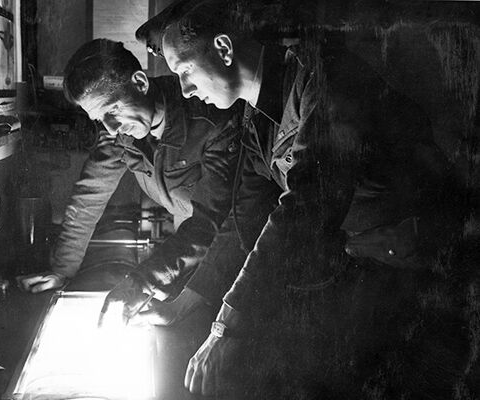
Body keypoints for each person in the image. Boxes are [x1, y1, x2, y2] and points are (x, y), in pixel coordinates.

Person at [157, 1, 466, 398]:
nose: (184, 89)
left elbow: (309, 204)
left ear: (223, 48)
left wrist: (229, 322)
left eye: (184, 70)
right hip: (365, 263)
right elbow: (246, 215)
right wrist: (191, 298)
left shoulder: (323, 75)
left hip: (422, 269)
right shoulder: (255, 116)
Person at [17, 39, 243, 325]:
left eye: (112, 110)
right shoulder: (120, 133)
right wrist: (62, 270)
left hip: (229, 262)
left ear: (139, 83)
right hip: (181, 261)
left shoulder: (210, 119)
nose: (110, 128)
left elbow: (211, 221)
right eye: (100, 119)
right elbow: (90, 194)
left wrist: (141, 282)